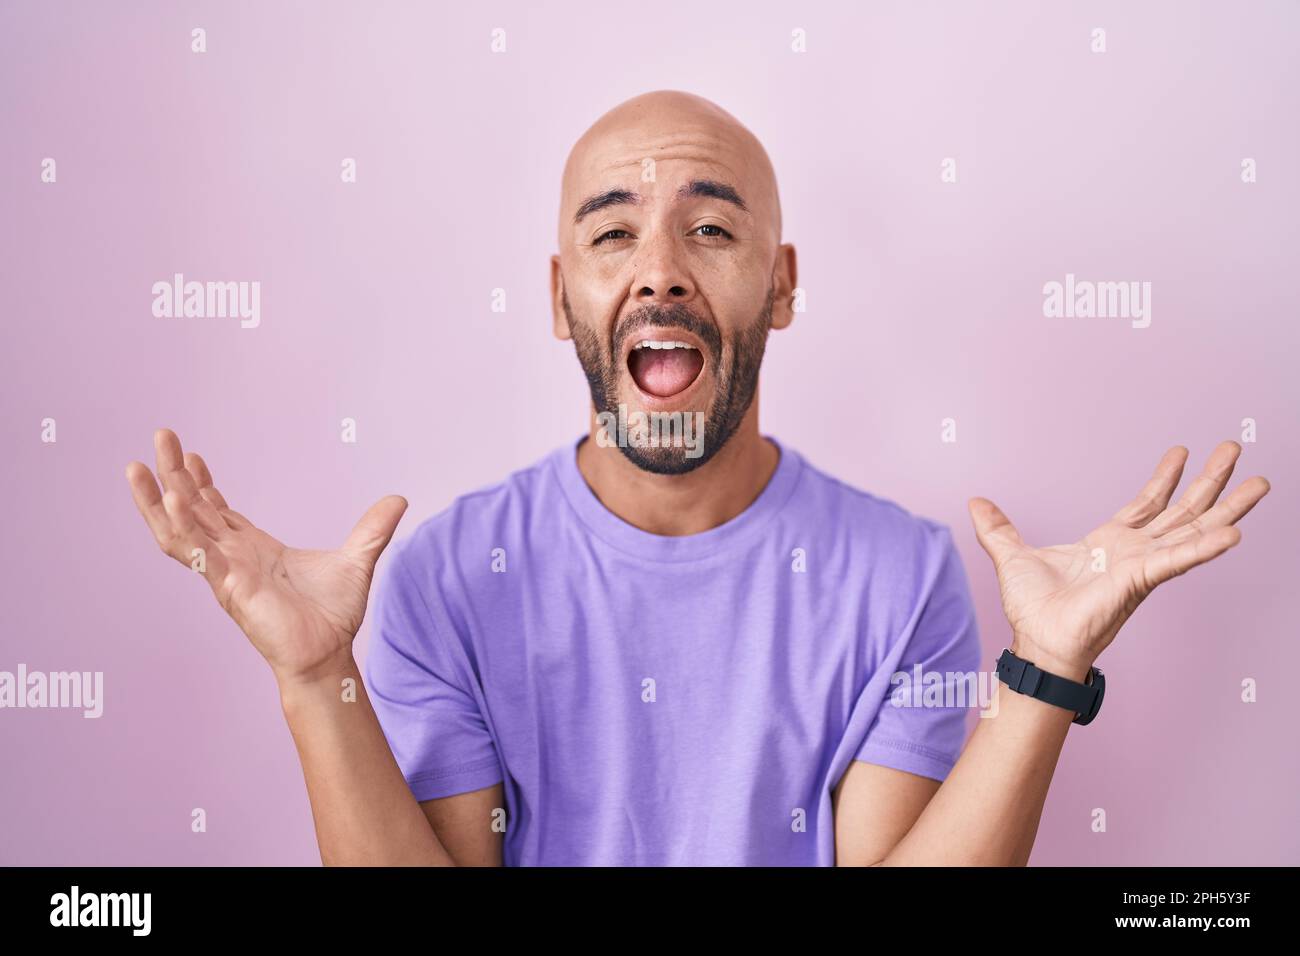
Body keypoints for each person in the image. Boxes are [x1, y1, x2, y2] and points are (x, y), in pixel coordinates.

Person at [124, 90, 1270, 866]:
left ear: (778, 286)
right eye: (613, 236)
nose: (660, 273)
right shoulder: (443, 576)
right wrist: (316, 673)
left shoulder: (900, 571)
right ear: (558, 292)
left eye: (710, 230)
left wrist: (1046, 670)